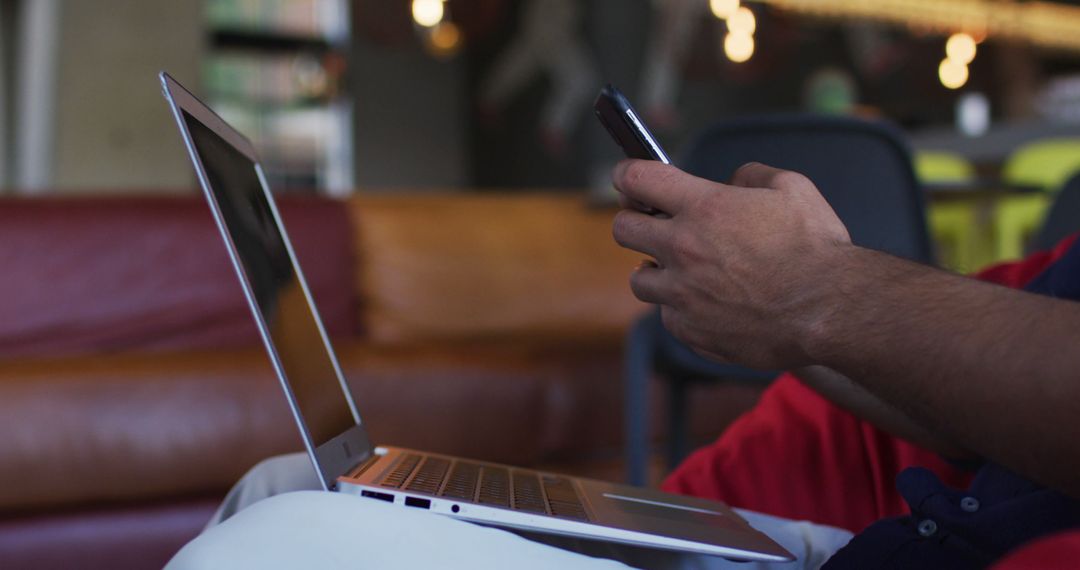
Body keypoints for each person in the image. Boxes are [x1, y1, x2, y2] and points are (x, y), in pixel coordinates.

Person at [169, 161, 1080, 569]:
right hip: (888, 545)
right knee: (286, 484)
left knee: (271, 548)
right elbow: (1010, 410)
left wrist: (819, 290)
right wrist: (799, 319)